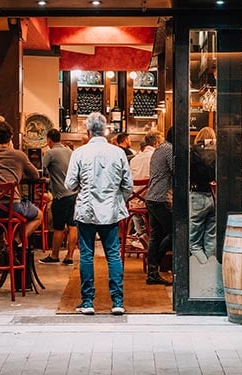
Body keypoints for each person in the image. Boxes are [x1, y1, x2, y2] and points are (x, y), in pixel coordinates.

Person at [64, 112, 133, 316]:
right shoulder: (118, 152)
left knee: (86, 255)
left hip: (86, 210)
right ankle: (117, 302)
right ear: (105, 130)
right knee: (113, 255)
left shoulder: (79, 153)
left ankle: (87, 302)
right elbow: (127, 185)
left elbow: (69, 184)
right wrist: (118, 198)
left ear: (88, 130)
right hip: (110, 211)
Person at [0, 120, 42, 240]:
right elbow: (35, 175)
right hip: (13, 207)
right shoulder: (18, 155)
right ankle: (14, 242)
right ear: (11, 137)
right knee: (39, 215)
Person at [38, 128, 77, 266]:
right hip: (74, 193)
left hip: (61, 195)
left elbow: (39, 171)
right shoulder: (70, 151)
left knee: (59, 227)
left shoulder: (50, 153)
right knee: (72, 225)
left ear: (49, 140)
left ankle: (54, 256)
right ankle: (70, 256)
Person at [144, 126, 174, 286]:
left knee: (156, 236)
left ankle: (152, 273)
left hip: (152, 198)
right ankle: (156, 263)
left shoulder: (160, 149)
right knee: (175, 233)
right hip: (162, 198)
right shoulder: (169, 149)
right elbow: (178, 171)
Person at [126, 130, 161, 250]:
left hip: (134, 203)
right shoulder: (157, 157)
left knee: (137, 210)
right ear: (156, 144)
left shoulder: (134, 159)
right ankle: (154, 241)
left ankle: (141, 234)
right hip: (152, 203)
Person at [189, 126, 217, 264]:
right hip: (212, 197)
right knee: (211, 240)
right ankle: (211, 273)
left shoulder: (192, 153)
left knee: (193, 243)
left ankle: (204, 269)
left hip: (196, 196)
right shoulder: (217, 153)